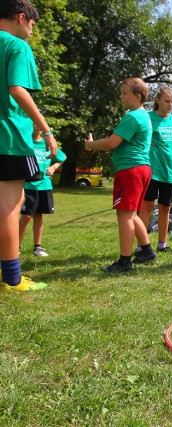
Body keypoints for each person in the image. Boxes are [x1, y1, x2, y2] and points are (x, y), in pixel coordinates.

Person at [1, 0, 58, 291]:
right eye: (33, 25)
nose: (32, 32)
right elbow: (16, 89)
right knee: (12, 205)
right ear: (21, 18)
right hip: (7, 138)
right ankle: (11, 278)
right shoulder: (16, 46)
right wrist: (46, 130)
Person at [85, 77, 156, 273]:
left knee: (124, 214)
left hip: (131, 170)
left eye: (124, 93)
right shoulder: (143, 116)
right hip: (141, 169)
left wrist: (90, 145)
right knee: (131, 213)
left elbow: (111, 143)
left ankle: (125, 262)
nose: (121, 96)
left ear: (137, 96)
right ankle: (147, 251)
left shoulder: (132, 117)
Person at [139, 86, 172, 254]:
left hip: (170, 171)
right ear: (158, 100)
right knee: (147, 206)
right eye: (167, 101)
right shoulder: (148, 117)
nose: (171, 104)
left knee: (166, 208)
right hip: (151, 171)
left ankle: (162, 244)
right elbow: (139, 136)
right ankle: (142, 245)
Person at [18, 126, 66, 257]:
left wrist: (53, 166)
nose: (38, 128)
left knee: (38, 215)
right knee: (27, 216)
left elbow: (62, 156)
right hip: (29, 186)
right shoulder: (26, 142)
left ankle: (37, 247)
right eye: (35, 124)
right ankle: (16, 246)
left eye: (41, 125)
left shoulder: (48, 143)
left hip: (45, 185)